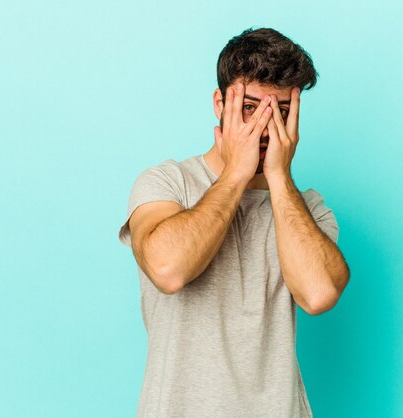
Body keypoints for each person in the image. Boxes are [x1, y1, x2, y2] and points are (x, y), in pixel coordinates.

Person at [118, 27, 350, 418]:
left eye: (279, 111)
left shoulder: (308, 207)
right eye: (249, 107)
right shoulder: (166, 183)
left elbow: (318, 295)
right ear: (218, 103)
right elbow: (169, 270)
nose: (263, 126)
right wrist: (234, 177)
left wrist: (278, 177)